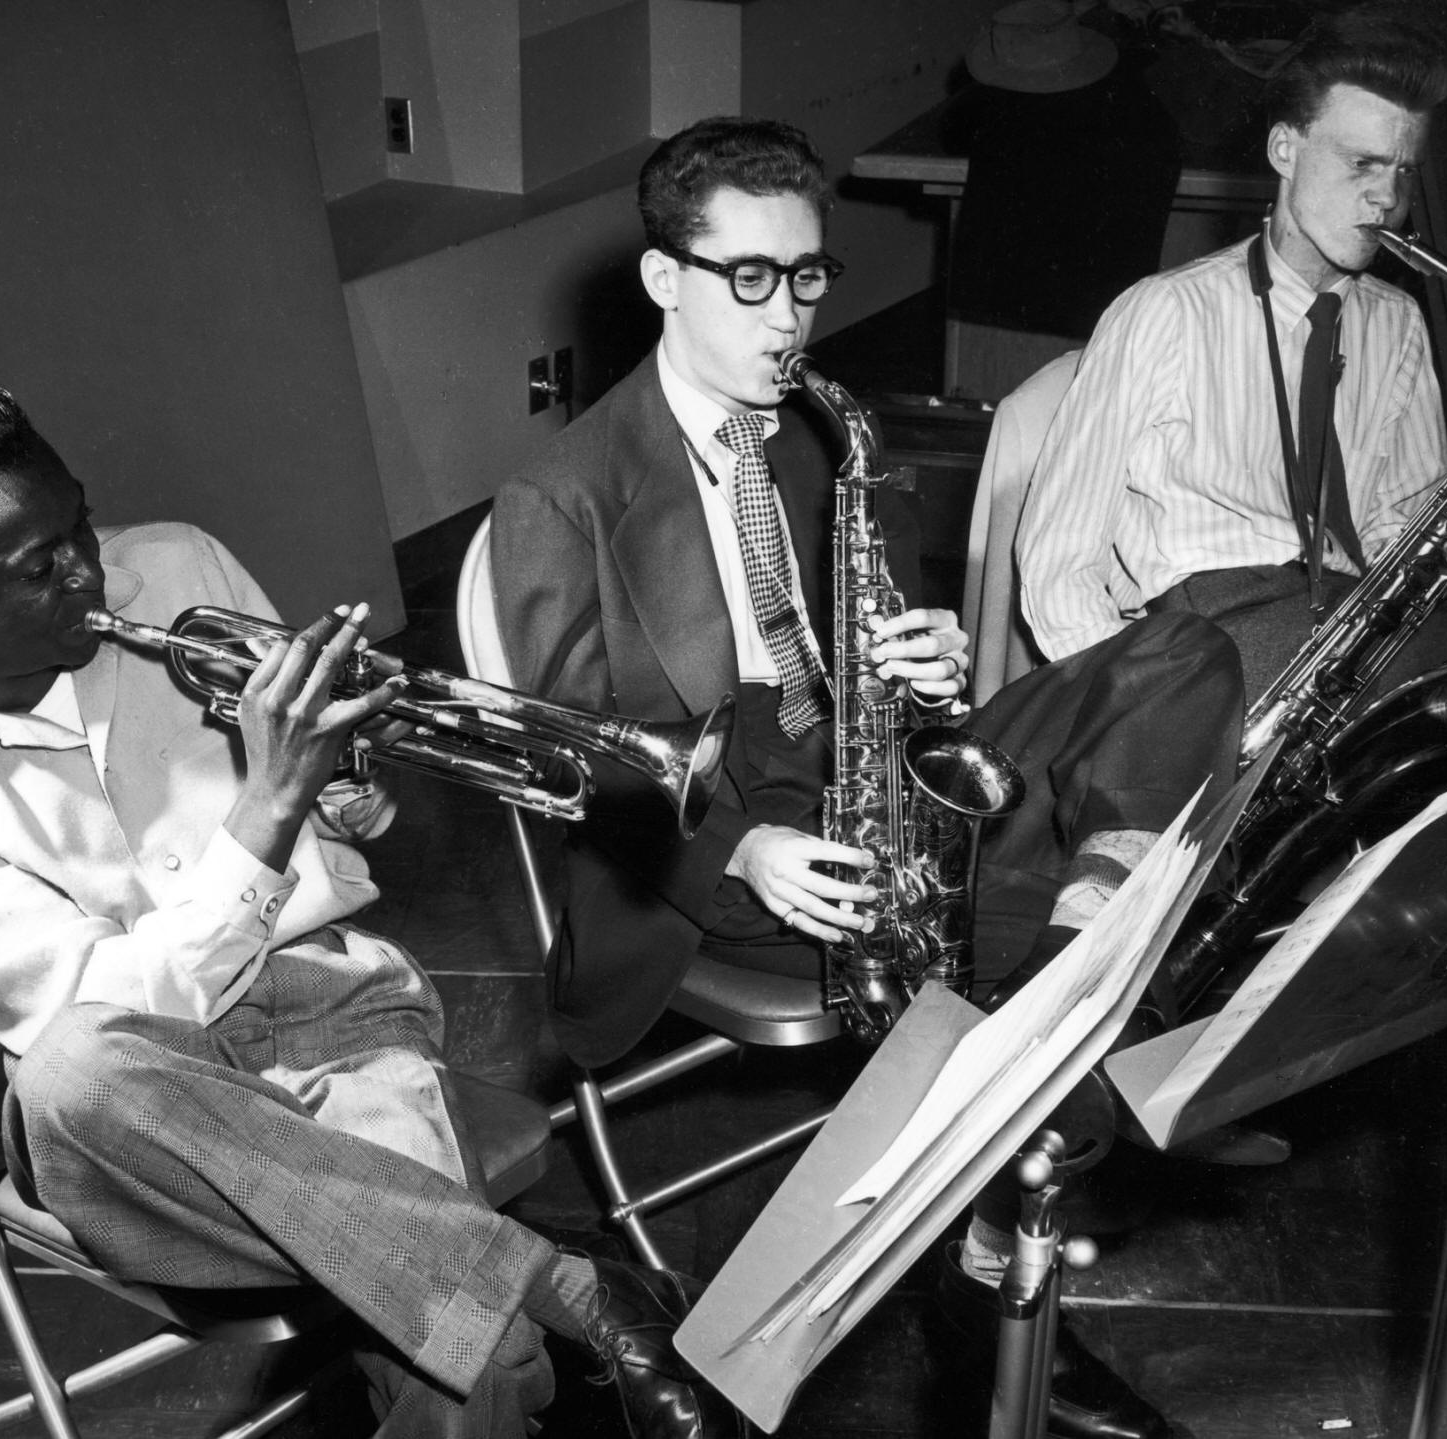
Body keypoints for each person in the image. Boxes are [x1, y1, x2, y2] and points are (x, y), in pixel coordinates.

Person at [0, 363, 750, 1439]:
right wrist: (266, 802)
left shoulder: (178, 563)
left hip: (333, 1008)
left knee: (473, 1358)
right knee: (73, 1067)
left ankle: (527, 1302)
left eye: (81, 524)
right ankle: (573, 1287)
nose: (93, 572)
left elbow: (349, 836)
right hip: (136, 1125)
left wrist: (342, 775)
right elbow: (120, 1018)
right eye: (41, 568)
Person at [491, 115, 1242, 1439]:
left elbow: (884, 652)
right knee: (1103, 957)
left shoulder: (828, 432)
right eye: (750, 278)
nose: (790, 314)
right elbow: (576, 750)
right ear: (665, 277)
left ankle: (1075, 947)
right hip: (710, 822)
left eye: (807, 274)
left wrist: (935, 665)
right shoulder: (561, 494)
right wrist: (742, 850)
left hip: (874, 760)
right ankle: (995, 1251)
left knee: (1187, 653)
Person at [1017, 4, 1447, 704]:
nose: (1387, 197)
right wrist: (1137, 712)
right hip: (1206, 630)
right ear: (1284, 151)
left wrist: (1440, 557)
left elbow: (1394, 527)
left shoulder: (1400, 322)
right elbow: (1058, 563)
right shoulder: (1166, 311)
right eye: (1361, 162)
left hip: (1346, 624)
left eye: (1404, 170)